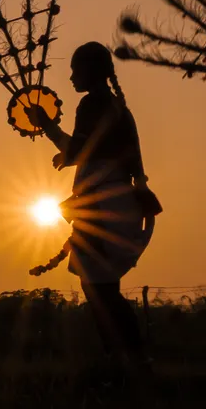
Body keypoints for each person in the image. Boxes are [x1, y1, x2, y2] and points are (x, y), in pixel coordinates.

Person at [27, 42, 160, 370]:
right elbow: (91, 152)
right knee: (103, 288)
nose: (71, 77)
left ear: (91, 72)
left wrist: (46, 125)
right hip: (119, 205)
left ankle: (124, 357)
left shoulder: (92, 105)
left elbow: (79, 152)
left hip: (103, 208)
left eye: (75, 70)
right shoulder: (117, 107)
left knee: (99, 291)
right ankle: (128, 358)